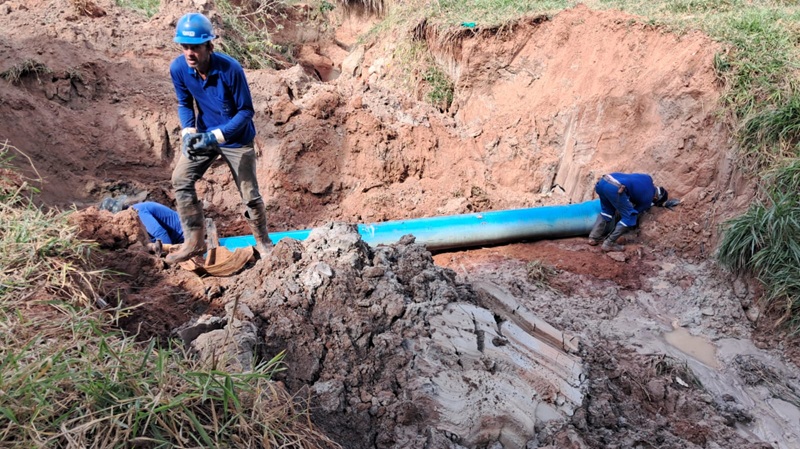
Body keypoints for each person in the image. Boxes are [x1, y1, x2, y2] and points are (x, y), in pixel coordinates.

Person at [167, 12, 273, 264]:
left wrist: (216, 136)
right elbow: (184, 103)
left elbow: (246, 111)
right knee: (180, 178)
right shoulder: (179, 68)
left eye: (195, 47)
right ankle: (193, 243)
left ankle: (264, 242)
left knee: (249, 194)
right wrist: (188, 132)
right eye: (185, 47)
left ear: (209, 46)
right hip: (203, 133)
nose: (190, 53)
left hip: (235, 138)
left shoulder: (230, 70)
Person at [587, 172, 669, 252]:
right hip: (615, 188)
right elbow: (635, 211)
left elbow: (633, 186)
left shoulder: (647, 178)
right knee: (630, 217)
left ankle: (593, 238)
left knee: (607, 212)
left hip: (603, 182)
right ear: (656, 198)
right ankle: (609, 243)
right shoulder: (648, 199)